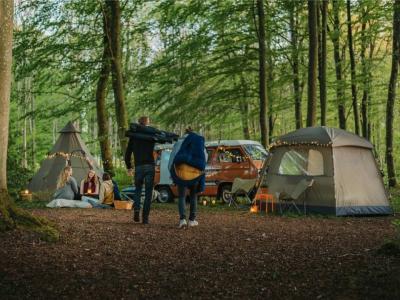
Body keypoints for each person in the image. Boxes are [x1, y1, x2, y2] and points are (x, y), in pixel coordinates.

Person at [169, 127, 207, 228]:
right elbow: (204, 158)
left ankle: (182, 220)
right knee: (193, 196)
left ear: (184, 133)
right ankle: (192, 220)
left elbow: (172, 160)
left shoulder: (178, 143)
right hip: (195, 174)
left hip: (181, 173)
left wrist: (173, 175)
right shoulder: (198, 141)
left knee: (182, 197)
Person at [125, 116, 156, 224]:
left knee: (137, 190)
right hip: (149, 166)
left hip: (138, 167)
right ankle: (145, 218)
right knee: (148, 193)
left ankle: (137, 211)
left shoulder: (133, 137)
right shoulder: (151, 134)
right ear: (147, 124)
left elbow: (127, 154)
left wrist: (129, 166)